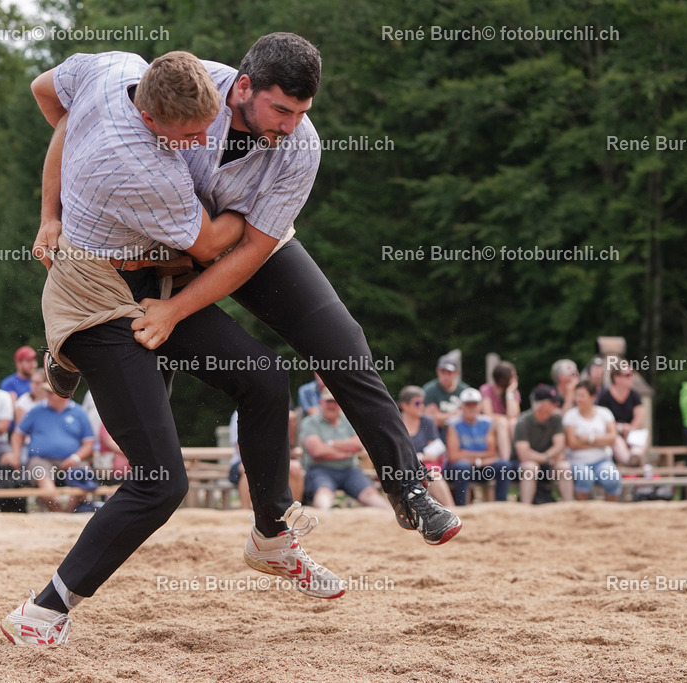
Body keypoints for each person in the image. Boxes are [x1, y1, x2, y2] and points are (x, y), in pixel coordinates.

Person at [36, 34, 460, 541]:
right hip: (168, 240)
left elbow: (254, 250)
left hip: (249, 243)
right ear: (242, 87)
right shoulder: (188, 94)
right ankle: (72, 362)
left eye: (302, 112)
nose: (292, 124)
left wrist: (176, 309)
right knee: (148, 367)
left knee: (343, 345)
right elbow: (76, 119)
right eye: (281, 109)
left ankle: (407, 489)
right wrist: (51, 214)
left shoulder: (301, 145)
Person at [2, 47, 345, 647]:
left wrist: (49, 210)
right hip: (97, 299)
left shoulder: (114, 69)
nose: (200, 151)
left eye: (204, 131)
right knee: (161, 481)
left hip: (151, 284)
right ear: (151, 120)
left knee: (264, 378)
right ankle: (41, 611)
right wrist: (260, 214)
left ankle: (271, 538)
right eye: (189, 138)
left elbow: (48, 95)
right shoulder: (137, 164)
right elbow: (214, 245)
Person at [5, 383, 95, 512]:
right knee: (40, 472)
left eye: (51, 392)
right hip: (41, 459)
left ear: (64, 394)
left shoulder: (79, 412)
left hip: (73, 460)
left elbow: (89, 443)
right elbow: (18, 435)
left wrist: (75, 458)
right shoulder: (36, 410)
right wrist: (16, 455)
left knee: (83, 473)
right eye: (47, 391)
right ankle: (59, 511)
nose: (47, 394)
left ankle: (67, 512)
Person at [300, 389, 392, 511]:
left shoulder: (349, 420)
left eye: (335, 402)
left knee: (370, 495)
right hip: (321, 470)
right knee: (323, 494)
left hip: (350, 470)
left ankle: (391, 516)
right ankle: (325, 521)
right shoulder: (310, 422)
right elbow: (316, 451)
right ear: (320, 402)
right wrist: (347, 451)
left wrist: (329, 444)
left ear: (340, 404)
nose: (331, 405)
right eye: (328, 402)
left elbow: (358, 445)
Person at [445, 387, 514, 505]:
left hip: (481, 466)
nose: (471, 408)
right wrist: (480, 457)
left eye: (474, 404)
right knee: (462, 466)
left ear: (480, 406)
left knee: (504, 465)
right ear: (462, 406)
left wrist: (467, 454)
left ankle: (501, 504)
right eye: (468, 404)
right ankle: (461, 507)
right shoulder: (453, 424)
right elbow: (453, 457)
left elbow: (492, 452)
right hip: (461, 469)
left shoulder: (487, 423)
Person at [513, 385, 573, 504]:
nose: (557, 405)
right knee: (531, 467)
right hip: (524, 465)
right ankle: (525, 508)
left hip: (547, 463)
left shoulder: (556, 419)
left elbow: (560, 445)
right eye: (553, 402)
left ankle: (569, 506)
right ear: (543, 405)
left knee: (564, 467)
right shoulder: (523, 421)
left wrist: (545, 457)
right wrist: (546, 458)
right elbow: (523, 454)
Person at [563, 380, 621, 501]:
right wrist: (600, 443)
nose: (578, 399)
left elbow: (612, 438)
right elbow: (572, 443)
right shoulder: (571, 416)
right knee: (585, 477)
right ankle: (582, 512)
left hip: (602, 460)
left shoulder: (604, 413)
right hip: (577, 461)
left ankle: (609, 512)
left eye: (582, 396)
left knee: (613, 477)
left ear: (592, 397)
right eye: (576, 395)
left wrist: (588, 439)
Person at [398, 386, 454, 507]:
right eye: (417, 403)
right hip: (402, 467)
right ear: (404, 405)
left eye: (423, 402)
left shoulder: (427, 421)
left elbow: (436, 451)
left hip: (423, 466)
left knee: (432, 473)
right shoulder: (396, 424)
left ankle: (451, 509)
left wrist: (418, 457)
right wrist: (422, 456)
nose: (422, 406)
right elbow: (396, 453)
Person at [596, 361, 646, 466]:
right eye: (628, 375)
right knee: (616, 440)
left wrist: (630, 429)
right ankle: (631, 463)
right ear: (616, 378)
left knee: (641, 437)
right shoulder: (605, 398)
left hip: (631, 433)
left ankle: (634, 459)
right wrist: (621, 428)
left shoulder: (634, 395)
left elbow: (640, 415)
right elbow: (601, 421)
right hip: (613, 433)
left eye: (632, 374)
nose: (631, 377)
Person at [479, 361, 520, 463]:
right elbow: (487, 414)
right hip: (491, 424)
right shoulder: (486, 389)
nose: (516, 378)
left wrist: (509, 394)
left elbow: (514, 415)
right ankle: (505, 461)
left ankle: (518, 458)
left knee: (513, 423)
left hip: (506, 423)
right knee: (502, 422)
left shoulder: (513, 391)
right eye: (513, 375)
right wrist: (504, 419)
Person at [423, 354, 469, 428]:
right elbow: (432, 419)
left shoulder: (465, 390)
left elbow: (470, 417)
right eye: (443, 372)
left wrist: (443, 417)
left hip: (460, 431)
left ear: (456, 372)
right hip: (438, 432)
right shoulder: (429, 390)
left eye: (449, 372)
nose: (446, 376)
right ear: (438, 371)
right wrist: (458, 414)